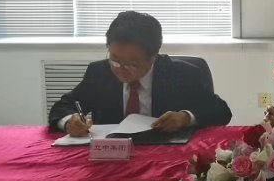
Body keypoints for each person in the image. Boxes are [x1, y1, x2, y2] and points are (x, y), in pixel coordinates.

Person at [49, 11, 232, 137]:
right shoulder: (99, 72)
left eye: (131, 64)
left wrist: (185, 118)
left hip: (164, 156)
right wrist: (69, 121)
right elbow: (62, 107)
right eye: (115, 59)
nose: (120, 68)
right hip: (112, 158)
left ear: (153, 56)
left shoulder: (182, 74)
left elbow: (220, 111)